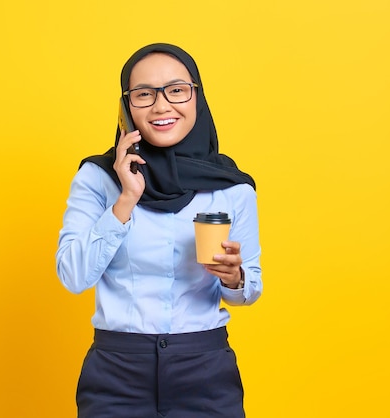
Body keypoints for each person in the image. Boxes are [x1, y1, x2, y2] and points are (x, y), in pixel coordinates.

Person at [56, 43, 262, 418]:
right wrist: (125, 201)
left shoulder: (232, 187)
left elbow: (249, 292)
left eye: (177, 90)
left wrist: (235, 278)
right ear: (126, 107)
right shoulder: (98, 178)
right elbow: (72, 276)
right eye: (144, 94)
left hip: (205, 371)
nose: (161, 106)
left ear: (197, 97)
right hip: (116, 372)